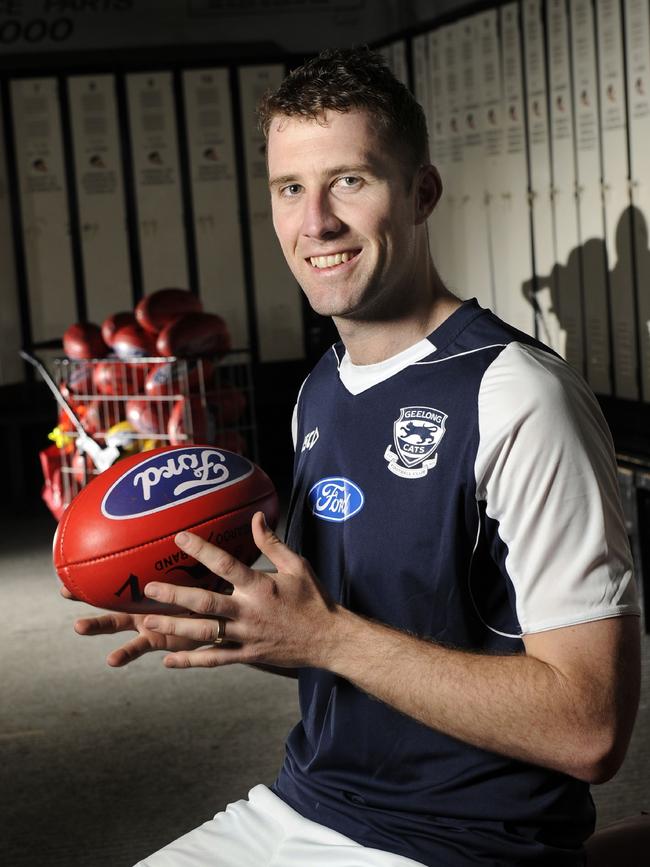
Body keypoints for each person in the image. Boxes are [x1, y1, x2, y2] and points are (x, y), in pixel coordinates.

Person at [68, 47, 641, 866]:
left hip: (462, 840)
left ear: (421, 193)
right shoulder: (320, 391)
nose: (316, 224)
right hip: (308, 801)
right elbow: (346, 633)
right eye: (290, 188)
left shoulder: (517, 397)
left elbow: (591, 728)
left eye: (351, 181)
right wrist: (238, 621)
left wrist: (326, 639)